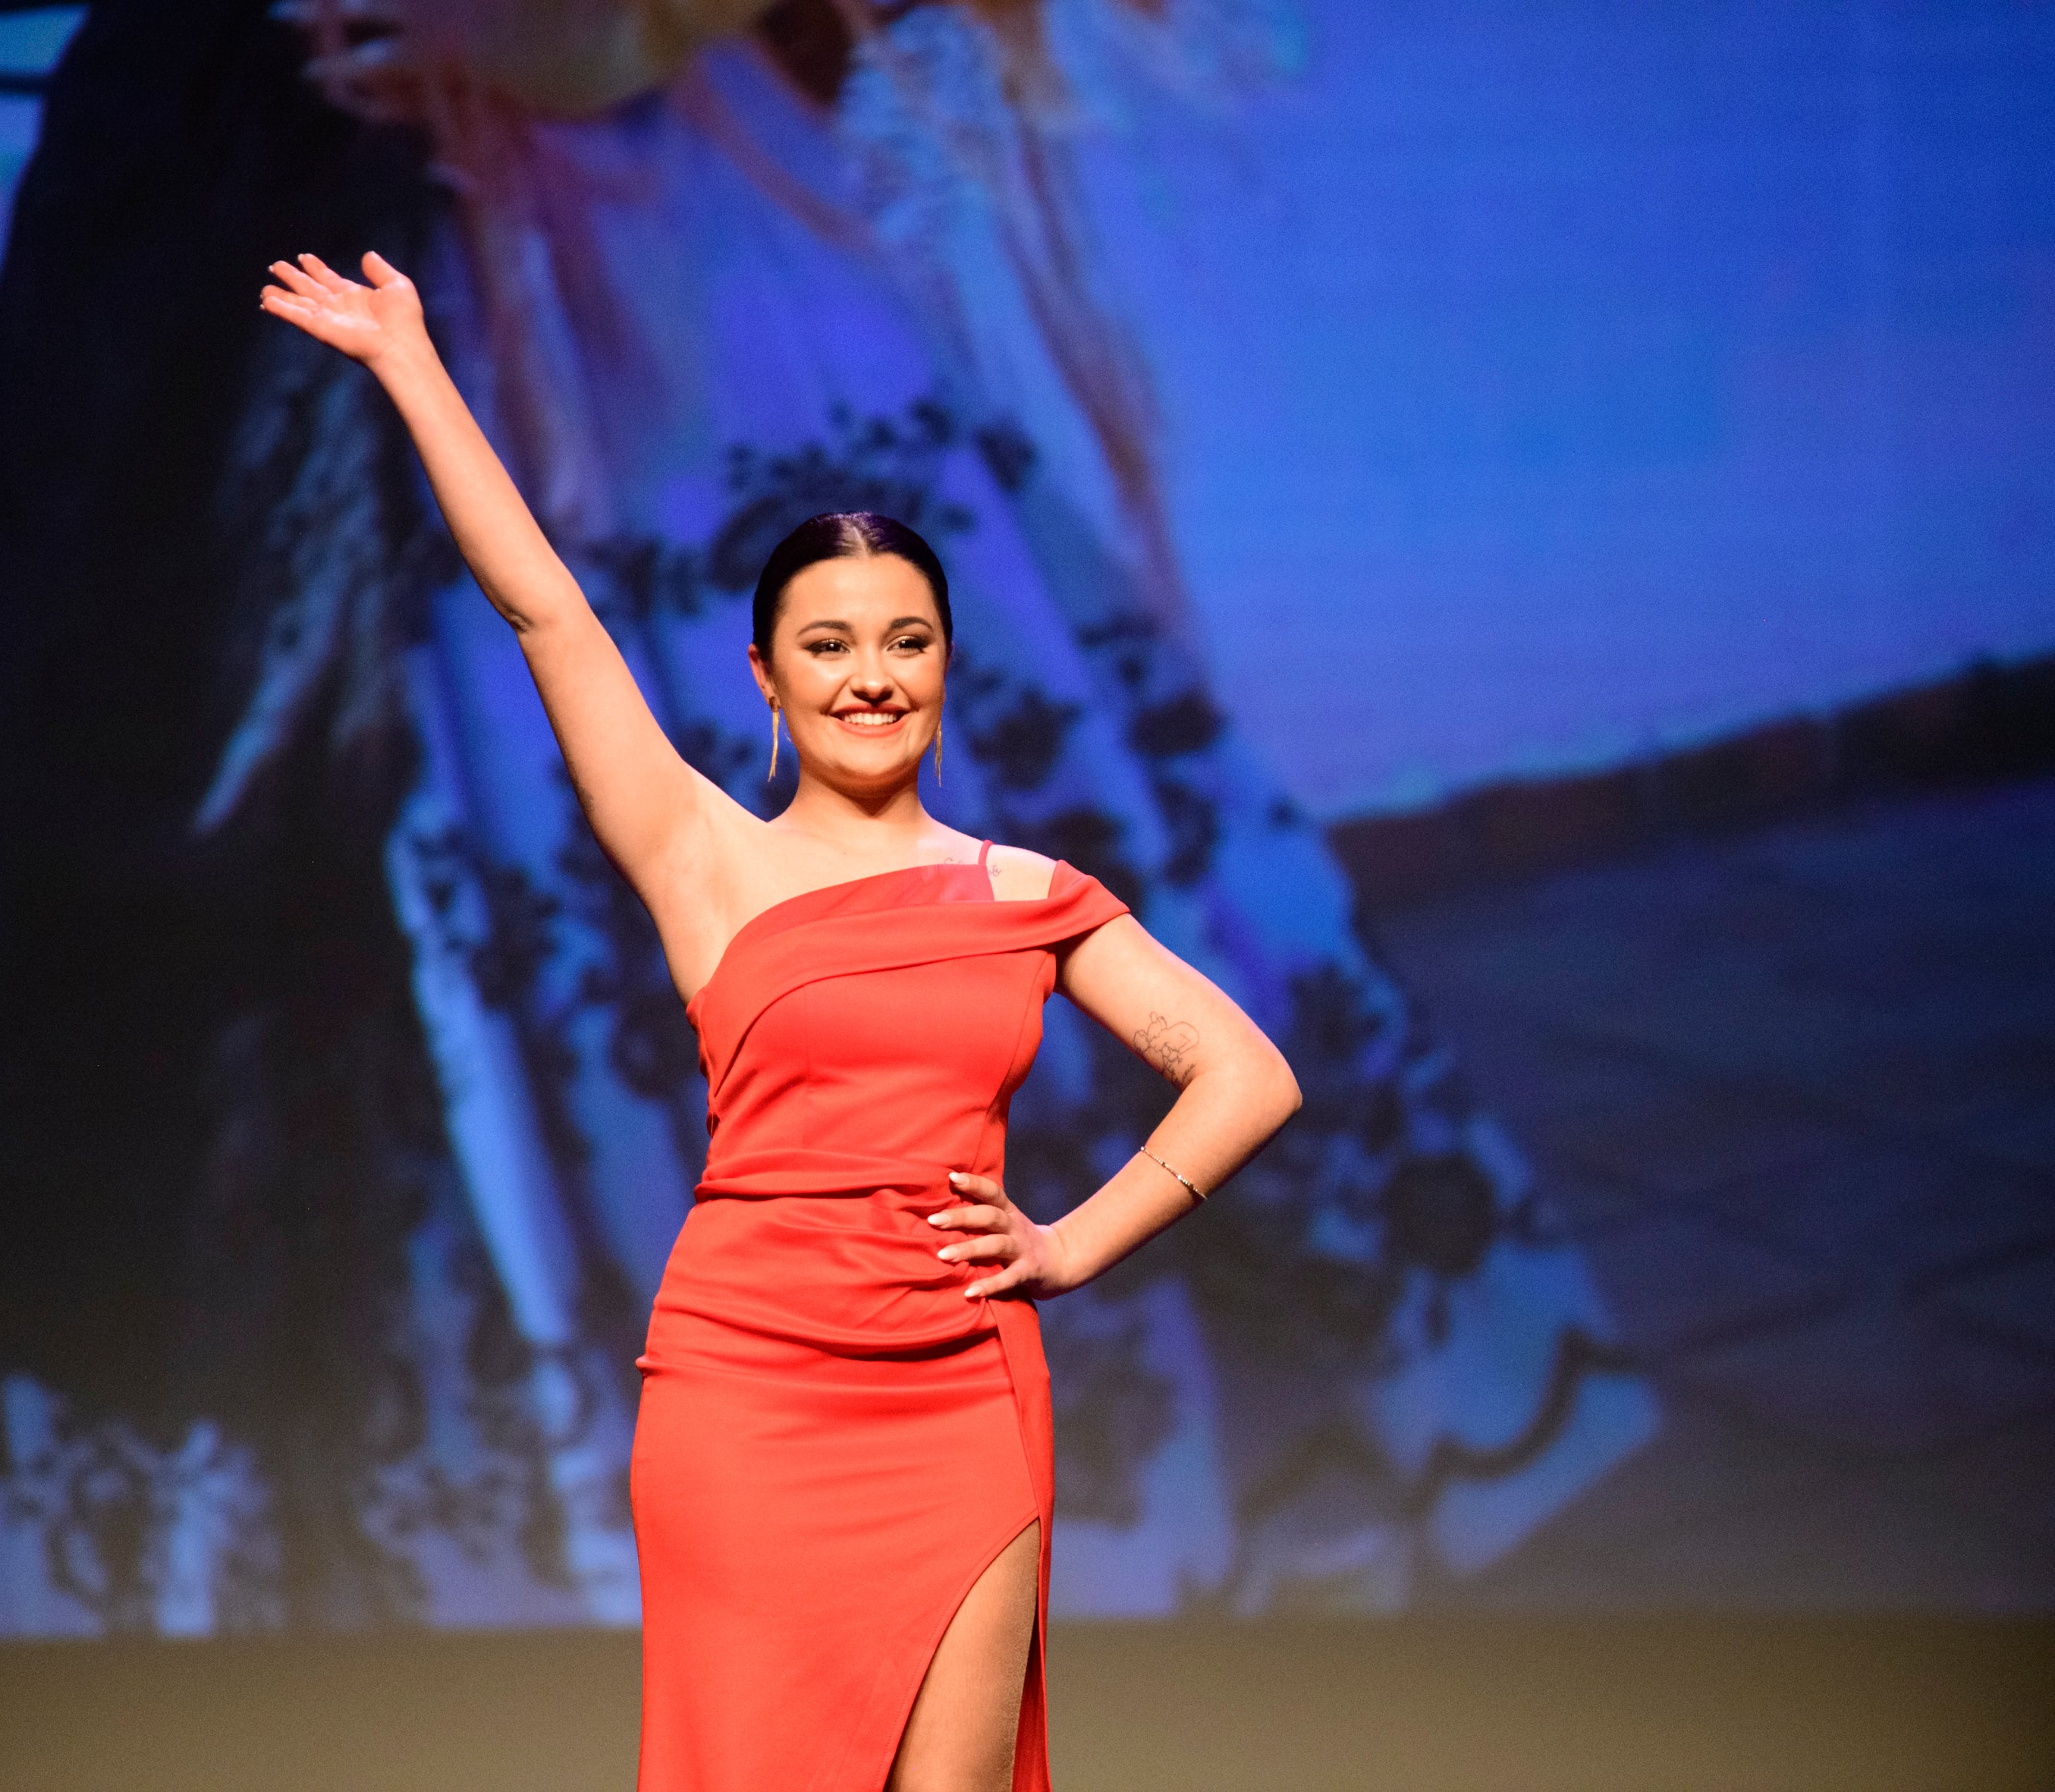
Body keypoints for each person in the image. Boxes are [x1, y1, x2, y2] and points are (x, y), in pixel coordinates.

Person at [262, 250, 1302, 1792]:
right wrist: (412, 363)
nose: (868, 678)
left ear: (947, 667)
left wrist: (1073, 1243)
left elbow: (1248, 1068)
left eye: (905, 641)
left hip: (961, 1384)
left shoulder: (1028, 890)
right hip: (744, 1391)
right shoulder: (704, 858)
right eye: (826, 644)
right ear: (762, 674)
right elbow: (543, 610)